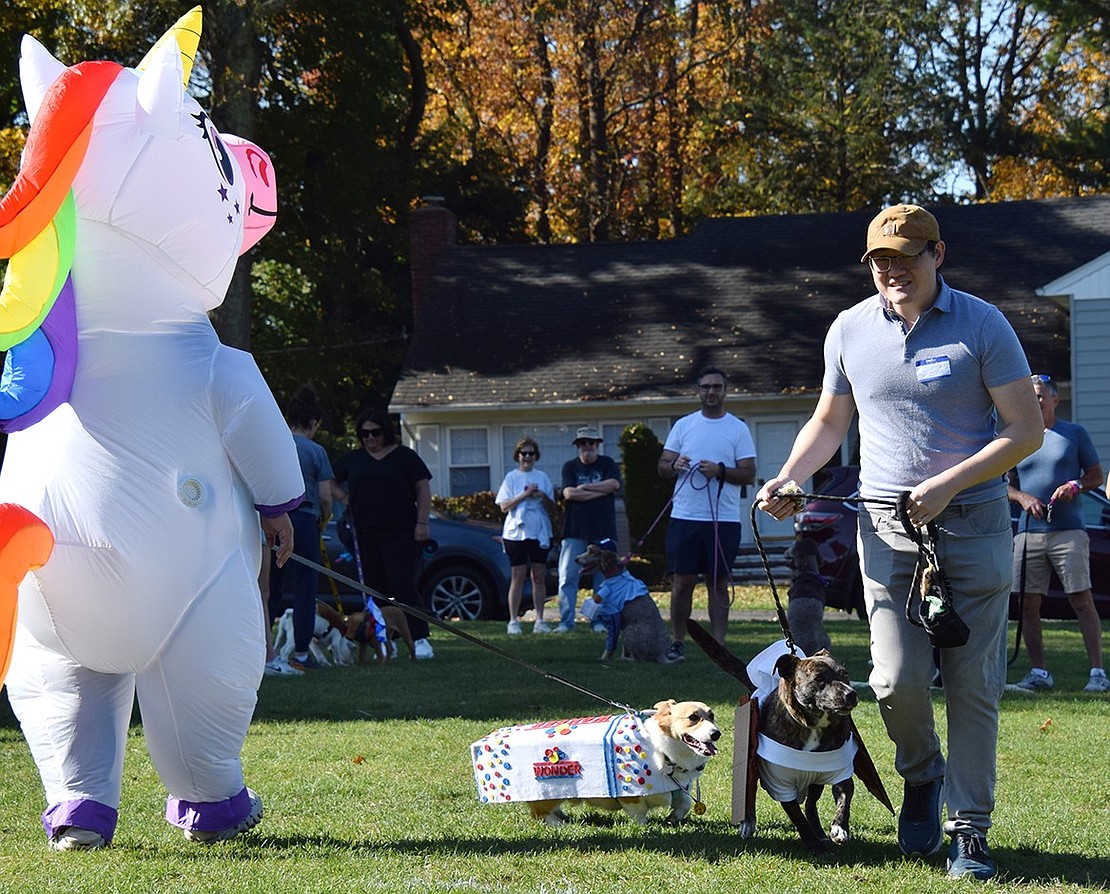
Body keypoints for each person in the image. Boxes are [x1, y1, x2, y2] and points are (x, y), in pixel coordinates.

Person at [757, 204, 1043, 881]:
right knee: (892, 680)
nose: (892, 272)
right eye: (880, 261)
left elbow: (1025, 430)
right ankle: (922, 775)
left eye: (906, 259)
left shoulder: (983, 324)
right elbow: (830, 420)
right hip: (885, 531)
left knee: (972, 687)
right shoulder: (850, 329)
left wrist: (951, 481)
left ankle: (969, 830)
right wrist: (791, 476)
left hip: (971, 527)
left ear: (937, 255)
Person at [1007, 375, 1107, 693]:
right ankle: (1039, 672)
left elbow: (1095, 476)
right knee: (1028, 604)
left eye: (1039, 396)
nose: (1033, 401)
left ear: (1053, 400)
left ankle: (1097, 673)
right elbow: (1001, 483)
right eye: (1029, 396)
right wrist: (1022, 497)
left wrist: (1075, 485)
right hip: (1028, 531)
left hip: (1069, 531)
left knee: (1080, 599)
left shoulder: (1073, 433)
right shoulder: (1019, 435)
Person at [657, 367, 756, 660]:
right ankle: (677, 641)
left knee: (718, 583)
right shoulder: (684, 426)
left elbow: (749, 474)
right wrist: (674, 466)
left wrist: (719, 470)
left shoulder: (737, 428)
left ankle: (719, 645)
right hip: (685, 517)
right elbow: (662, 466)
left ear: (725, 391)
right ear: (698, 391)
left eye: (716, 387)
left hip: (722, 520)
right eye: (705, 387)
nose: (711, 392)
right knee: (682, 582)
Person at [333, 408, 435, 659]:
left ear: (385, 432)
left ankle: (420, 638)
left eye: (375, 433)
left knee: (403, 585)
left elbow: (423, 488)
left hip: (402, 532)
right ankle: (385, 640)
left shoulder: (405, 457)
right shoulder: (354, 459)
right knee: (374, 589)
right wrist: (344, 498)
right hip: (365, 533)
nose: (370, 438)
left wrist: (422, 523)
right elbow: (329, 480)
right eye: (364, 434)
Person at [272, 385, 335, 672]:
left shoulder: (273, 444)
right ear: (313, 423)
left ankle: (265, 651)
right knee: (305, 588)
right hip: (305, 519)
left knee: (268, 588)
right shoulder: (316, 451)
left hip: (272, 518)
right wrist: (325, 518)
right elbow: (324, 496)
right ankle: (300, 652)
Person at [554, 427, 623, 633]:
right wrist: (599, 491)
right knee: (567, 576)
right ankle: (566, 622)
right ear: (578, 446)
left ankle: (598, 621)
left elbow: (614, 484)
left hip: (603, 530)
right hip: (575, 531)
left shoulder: (607, 463)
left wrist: (585, 488)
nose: (587, 447)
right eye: (583, 443)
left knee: (602, 578)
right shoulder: (570, 467)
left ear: (597, 445)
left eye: (591, 443)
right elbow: (569, 493)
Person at [495, 437, 556, 635]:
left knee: (538, 576)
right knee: (518, 576)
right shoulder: (511, 477)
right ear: (518, 456)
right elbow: (504, 505)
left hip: (539, 531)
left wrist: (541, 496)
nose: (527, 457)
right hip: (516, 533)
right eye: (524, 453)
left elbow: (552, 508)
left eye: (531, 453)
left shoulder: (543, 477)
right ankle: (513, 620)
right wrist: (524, 494)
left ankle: (540, 620)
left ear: (536, 456)